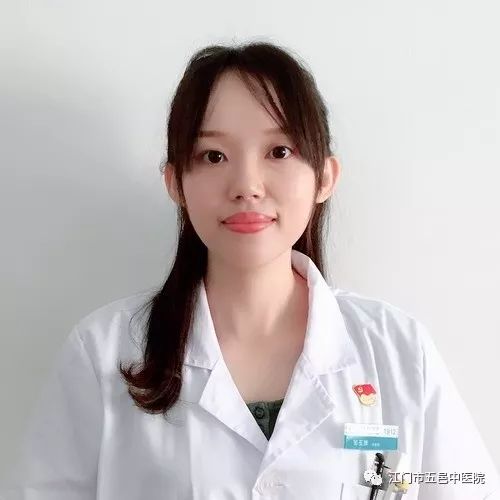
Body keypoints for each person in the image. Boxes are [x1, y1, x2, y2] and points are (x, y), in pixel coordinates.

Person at [1, 41, 499, 500]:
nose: (247, 184)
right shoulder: (103, 352)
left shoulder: (398, 350)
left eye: (279, 151)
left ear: (325, 177)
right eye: (213, 155)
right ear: (175, 182)